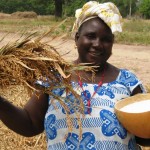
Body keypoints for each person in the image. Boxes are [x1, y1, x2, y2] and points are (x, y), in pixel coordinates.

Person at [0, 1, 150, 150]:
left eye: (106, 39)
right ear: (77, 38)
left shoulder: (128, 82)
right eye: (91, 36)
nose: (98, 44)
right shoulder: (53, 77)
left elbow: (143, 137)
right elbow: (30, 124)